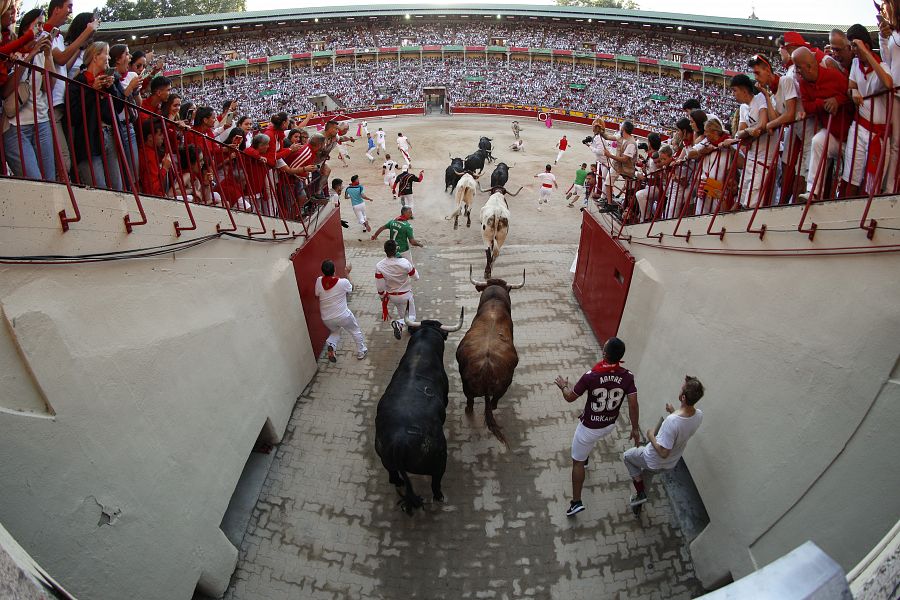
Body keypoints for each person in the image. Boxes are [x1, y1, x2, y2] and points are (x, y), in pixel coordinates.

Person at [554, 337, 640, 517]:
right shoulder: (628, 376)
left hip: (589, 428)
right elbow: (633, 404)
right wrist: (634, 428)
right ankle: (585, 458)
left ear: (604, 353)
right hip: (609, 425)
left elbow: (570, 397)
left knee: (577, 462)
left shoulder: (591, 376)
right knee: (589, 442)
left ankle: (576, 502)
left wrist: (563, 386)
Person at [623, 375, 704, 509]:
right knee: (648, 474)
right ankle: (639, 502)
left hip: (653, 458)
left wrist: (650, 436)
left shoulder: (672, 421)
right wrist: (673, 411)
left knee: (627, 456)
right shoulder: (699, 415)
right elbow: (683, 425)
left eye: (682, 389)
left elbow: (663, 452)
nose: (680, 390)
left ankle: (640, 491)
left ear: (683, 397)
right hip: (670, 463)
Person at [793, 46, 853, 202]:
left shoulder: (833, 75)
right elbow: (808, 106)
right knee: (818, 141)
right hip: (833, 132)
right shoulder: (803, 83)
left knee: (853, 172)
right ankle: (813, 191)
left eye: (798, 67)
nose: (797, 71)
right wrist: (823, 102)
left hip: (851, 133)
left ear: (809, 66)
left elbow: (851, 95)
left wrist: (837, 100)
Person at [842, 24, 893, 197]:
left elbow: (888, 84)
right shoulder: (855, 64)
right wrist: (853, 92)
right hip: (859, 127)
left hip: (878, 133)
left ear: (865, 44)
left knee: (872, 184)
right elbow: (851, 87)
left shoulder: (882, 65)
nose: (853, 50)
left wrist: (866, 53)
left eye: (855, 45)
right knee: (851, 177)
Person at [315, 260, 367, 362]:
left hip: (327, 318)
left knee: (336, 331)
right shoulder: (343, 282)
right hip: (343, 315)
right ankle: (361, 351)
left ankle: (331, 344)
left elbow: (317, 293)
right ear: (334, 270)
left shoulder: (319, 280)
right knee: (355, 330)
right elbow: (351, 288)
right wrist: (347, 274)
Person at [375, 239, 417, 340]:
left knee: (402, 312)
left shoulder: (379, 266)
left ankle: (404, 326)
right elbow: (416, 277)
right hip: (406, 295)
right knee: (412, 316)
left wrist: (382, 296)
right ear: (396, 250)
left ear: (385, 251)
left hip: (392, 296)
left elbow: (380, 286)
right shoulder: (405, 262)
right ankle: (399, 323)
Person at [370, 206, 423, 272]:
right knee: (410, 267)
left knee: (394, 267)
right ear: (405, 213)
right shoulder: (407, 226)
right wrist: (419, 244)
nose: (411, 214)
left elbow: (382, 228)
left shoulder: (392, 222)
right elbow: (412, 242)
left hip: (392, 250)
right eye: (410, 212)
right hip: (403, 250)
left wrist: (375, 235)